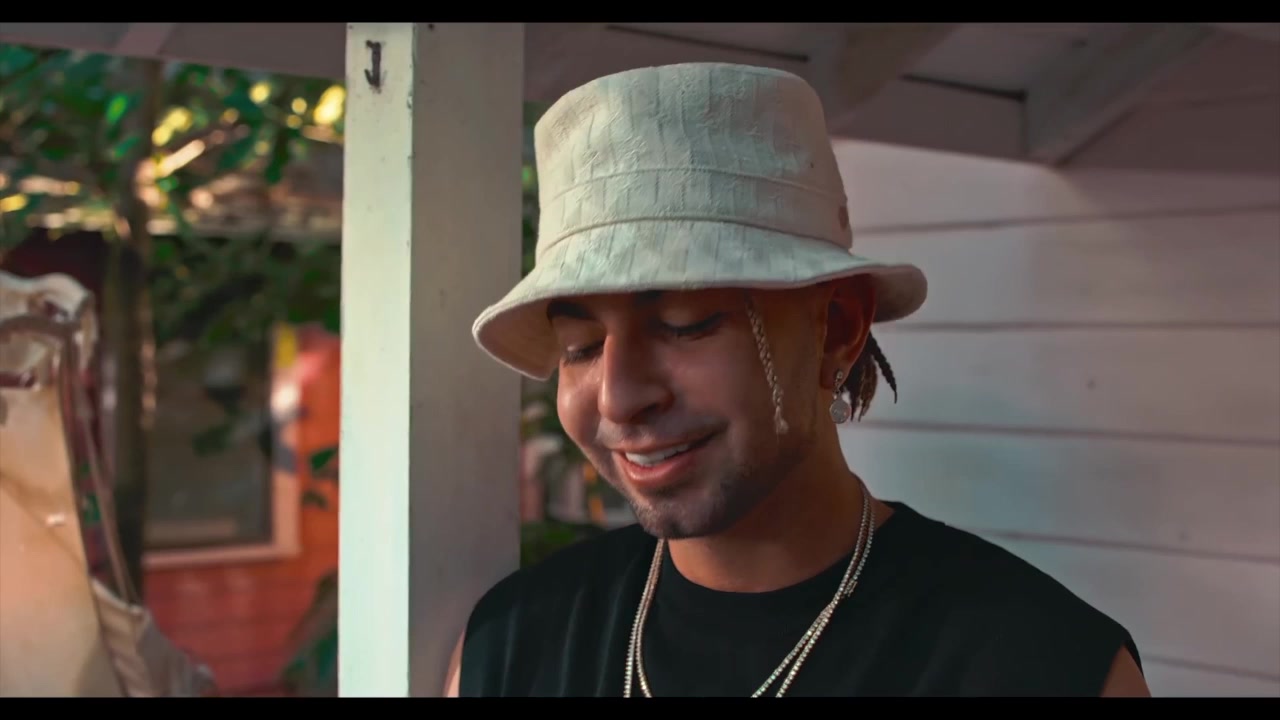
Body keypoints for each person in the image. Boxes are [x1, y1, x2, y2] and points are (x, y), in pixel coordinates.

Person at [446, 62, 1150, 697]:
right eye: (580, 346)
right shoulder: (514, 647)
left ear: (837, 327)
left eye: (685, 323)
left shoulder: (1042, 666)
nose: (618, 396)